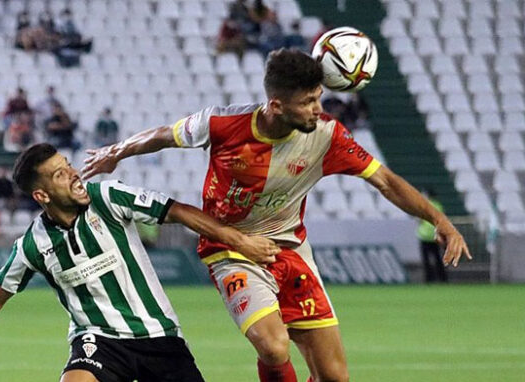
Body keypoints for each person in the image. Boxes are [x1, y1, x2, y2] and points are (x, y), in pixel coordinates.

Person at [82, 49, 472, 382]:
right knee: (272, 345)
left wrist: (441, 220)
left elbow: (385, 181)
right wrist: (116, 151)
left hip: (291, 249)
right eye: (308, 102)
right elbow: (165, 135)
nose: (318, 109)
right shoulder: (223, 123)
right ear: (276, 105)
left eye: (319, 98)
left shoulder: (328, 135)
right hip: (230, 249)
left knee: (335, 376)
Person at [0, 143, 280, 382]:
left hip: (160, 338)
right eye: (60, 174)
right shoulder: (33, 245)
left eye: (68, 165)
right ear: (41, 195)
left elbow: (177, 211)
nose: (73, 173)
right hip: (99, 342)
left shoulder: (108, 196)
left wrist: (240, 241)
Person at [417, 189, 448, 283]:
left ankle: (429, 279)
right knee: (438, 258)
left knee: (426, 260)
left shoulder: (423, 205)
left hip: (424, 236)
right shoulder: (438, 206)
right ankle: (443, 279)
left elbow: (420, 220)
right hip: (435, 236)